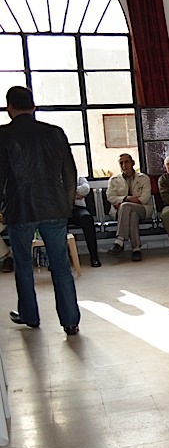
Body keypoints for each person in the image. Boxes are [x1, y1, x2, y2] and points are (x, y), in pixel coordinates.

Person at [0, 85, 80, 334]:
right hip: (55, 207)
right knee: (61, 265)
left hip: (20, 210)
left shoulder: (3, 135)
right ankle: (70, 321)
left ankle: (30, 316)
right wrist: (66, 205)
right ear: (33, 107)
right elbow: (70, 173)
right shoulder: (55, 133)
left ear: (9, 108)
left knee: (23, 265)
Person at [105, 154, 155, 262]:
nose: (124, 165)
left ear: (133, 163)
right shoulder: (114, 180)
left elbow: (145, 198)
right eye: (121, 163)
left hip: (142, 209)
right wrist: (126, 198)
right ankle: (136, 249)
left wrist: (124, 202)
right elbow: (110, 197)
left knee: (125, 206)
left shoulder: (143, 178)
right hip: (120, 212)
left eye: (126, 162)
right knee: (132, 214)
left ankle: (119, 240)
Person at [69, 174, 101, 267]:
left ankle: (94, 257)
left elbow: (86, 189)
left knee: (87, 218)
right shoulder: (56, 178)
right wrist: (75, 194)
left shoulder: (79, 178)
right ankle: (61, 258)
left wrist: (69, 193)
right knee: (58, 222)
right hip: (63, 210)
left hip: (78, 209)